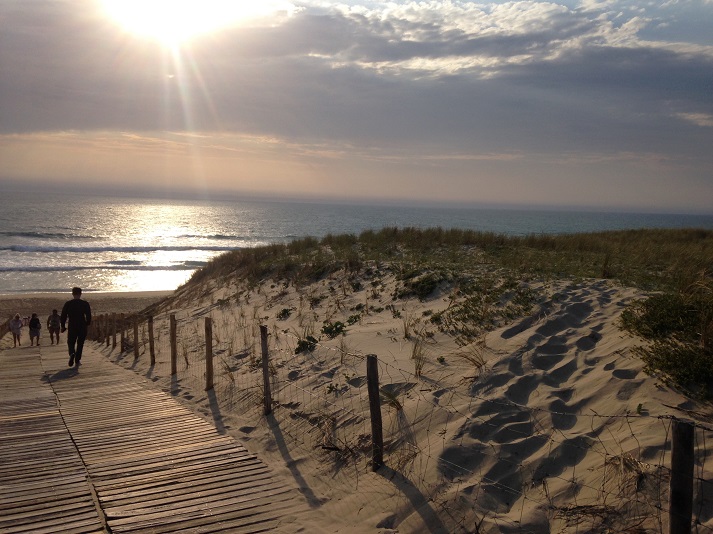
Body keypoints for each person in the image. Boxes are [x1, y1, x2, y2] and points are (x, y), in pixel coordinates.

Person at [61, 287, 92, 367]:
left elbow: (63, 316)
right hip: (82, 324)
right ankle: (77, 359)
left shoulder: (68, 303)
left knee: (71, 341)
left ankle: (72, 353)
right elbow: (88, 315)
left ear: (72, 294)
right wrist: (87, 323)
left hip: (72, 324)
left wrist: (63, 326)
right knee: (80, 343)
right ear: (80, 294)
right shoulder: (85, 303)